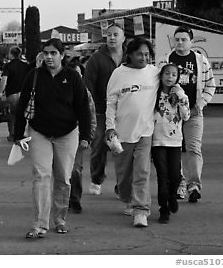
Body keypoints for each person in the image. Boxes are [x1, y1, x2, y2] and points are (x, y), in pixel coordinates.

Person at [13, 38, 92, 238]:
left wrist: (85, 136)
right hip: (40, 133)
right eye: (46, 53)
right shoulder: (34, 76)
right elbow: (23, 105)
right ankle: (40, 224)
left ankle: (60, 219)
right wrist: (18, 133)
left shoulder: (72, 77)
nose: (49, 57)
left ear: (62, 55)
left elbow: (83, 108)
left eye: (53, 53)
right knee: (41, 176)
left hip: (67, 133)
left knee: (63, 178)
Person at [105, 37, 159, 228]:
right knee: (124, 174)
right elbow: (110, 102)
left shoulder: (154, 73)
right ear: (130, 54)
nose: (143, 58)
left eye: (147, 54)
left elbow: (170, 81)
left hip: (145, 131)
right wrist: (109, 127)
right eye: (139, 54)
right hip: (122, 133)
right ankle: (128, 198)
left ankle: (141, 210)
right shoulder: (119, 74)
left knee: (142, 171)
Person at [166, 26, 215, 203]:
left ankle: (194, 186)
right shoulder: (166, 60)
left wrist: (199, 105)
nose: (179, 43)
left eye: (184, 39)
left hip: (194, 113)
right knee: (175, 149)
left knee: (194, 148)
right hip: (171, 115)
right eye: (177, 39)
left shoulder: (201, 60)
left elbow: (211, 85)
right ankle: (179, 183)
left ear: (191, 41)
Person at [84, 22, 125, 196]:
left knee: (124, 148)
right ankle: (96, 179)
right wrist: (89, 109)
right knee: (100, 145)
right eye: (109, 35)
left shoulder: (129, 58)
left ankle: (122, 184)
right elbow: (88, 85)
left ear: (124, 38)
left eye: (116, 34)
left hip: (125, 111)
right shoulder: (96, 58)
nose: (112, 38)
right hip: (100, 110)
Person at [152, 63, 190, 224]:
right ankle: (163, 209)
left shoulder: (180, 95)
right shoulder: (154, 94)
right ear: (161, 76)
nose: (170, 77)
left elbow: (186, 116)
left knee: (175, 176)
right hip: (157, 140)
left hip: (175, 141)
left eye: (173, 75)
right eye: (167, 74)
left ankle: (172, 197)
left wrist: (180, 96)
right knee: (163, 176)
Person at [67, 60, 97, 214]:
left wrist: (88, 136)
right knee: (61, 171)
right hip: (59, 136)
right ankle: (62, 198)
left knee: (75, 170)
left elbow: (91, 117)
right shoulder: (60, 89)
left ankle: (74, 199)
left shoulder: (85, 93)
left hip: (78, 137)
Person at [0, 46, 32, 141]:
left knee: (11, 115)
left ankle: (12, 133)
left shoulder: (8, 66)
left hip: (12, 94)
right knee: (23, 115)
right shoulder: (26, 65)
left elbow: (4, 79)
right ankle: (21, 133)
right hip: (23, 93)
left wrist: (1, 92)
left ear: (11, 54)